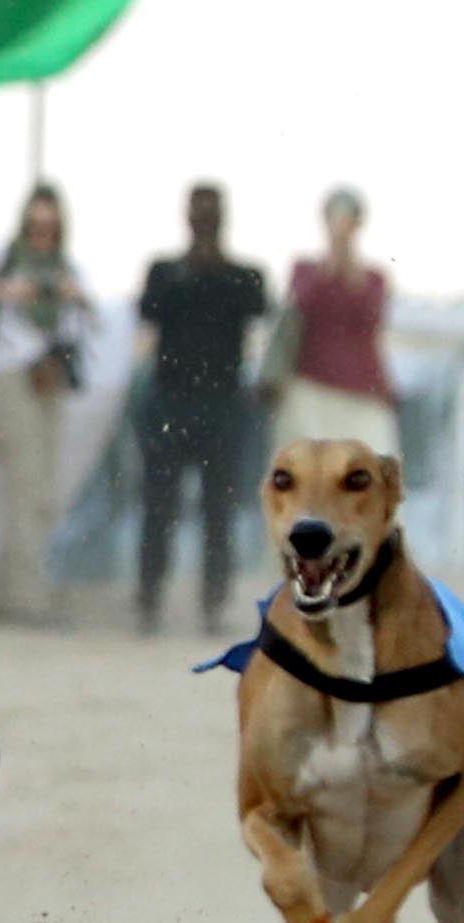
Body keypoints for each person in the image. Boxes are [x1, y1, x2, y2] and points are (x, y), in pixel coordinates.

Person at [130, 183, 270, 636]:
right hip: (172, 400)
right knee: (160, 505)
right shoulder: (166, 272)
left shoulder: (244, 275)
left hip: (221, 404)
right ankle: (150, 596)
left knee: (218, 509)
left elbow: (257, 310)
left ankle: (212, 600)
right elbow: (149, 310)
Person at [0, 182, 90, 625]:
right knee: (26, 482)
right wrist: (5, 291)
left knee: (43, 490)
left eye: (49, 228)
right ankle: (25, 599)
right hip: (10, 373)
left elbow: (87, 320)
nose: (41, 235)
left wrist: (71, 298)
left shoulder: (65, 267)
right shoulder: (3, 262)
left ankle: (15, 589)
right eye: (35, 227)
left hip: (47, 376)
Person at [271, 184, 397, 454]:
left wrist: (349, 265)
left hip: (362, 391)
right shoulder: (304, 270)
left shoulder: (374, 278)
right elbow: (304, 303)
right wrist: (329, 265)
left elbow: (371, 315)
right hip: (310, 389)